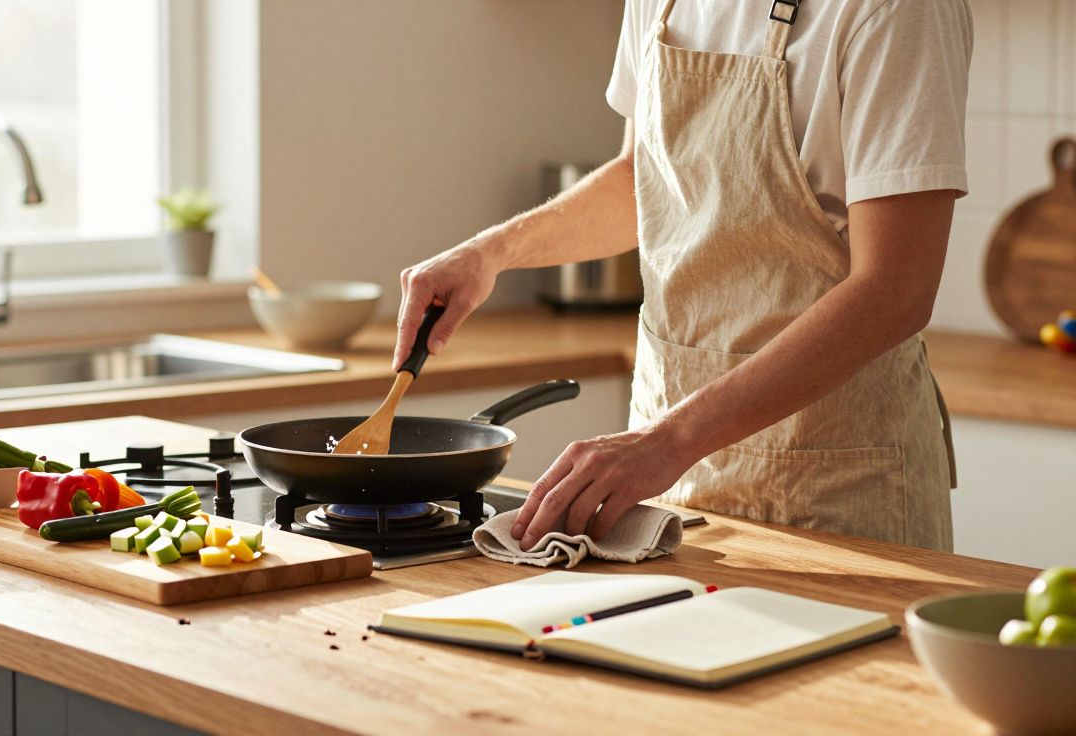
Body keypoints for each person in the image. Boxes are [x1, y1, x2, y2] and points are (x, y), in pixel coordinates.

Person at [391, 0, 972, 552]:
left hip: (835, 479)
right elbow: (638, 180)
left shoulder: (899, 11)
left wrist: (668, 440)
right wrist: (489, 253)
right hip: (669, 476)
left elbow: (895, 289)